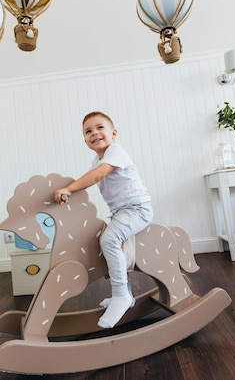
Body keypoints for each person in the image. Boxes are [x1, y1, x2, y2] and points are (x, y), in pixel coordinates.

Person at [54, 111, 153, 329]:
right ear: (85, 140)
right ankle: (125, 294)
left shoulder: (115, 152)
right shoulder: (96, 161)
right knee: (102, 242)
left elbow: (97, 176)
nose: (95, 133)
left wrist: (69, 188)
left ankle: (120, 295)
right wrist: (68, 194)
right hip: (121, 212)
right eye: (88, 131)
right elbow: (90, 179)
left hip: (137, 209)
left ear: (113, 133)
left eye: (100, 128)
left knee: (108, 241)